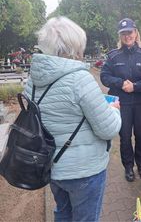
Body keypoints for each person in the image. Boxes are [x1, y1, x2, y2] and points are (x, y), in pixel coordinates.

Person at [24, 16, 122, 222]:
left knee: (63, 213)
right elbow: (108, 129)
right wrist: (113, 109)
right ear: (73, 46)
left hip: (52, 167)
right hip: (84, 171)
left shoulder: (32, 79)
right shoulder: (79, 79)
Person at [100, 18, 141, 182]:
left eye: (130, 32)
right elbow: (104, 76)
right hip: (121, 103)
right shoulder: (113, 56)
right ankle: (128, 167)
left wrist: (136, 87)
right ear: (120, 36)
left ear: (135, 33)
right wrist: (120, 83)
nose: (127, 36)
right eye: (123, 33)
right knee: (125, 136)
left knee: (140, 135)